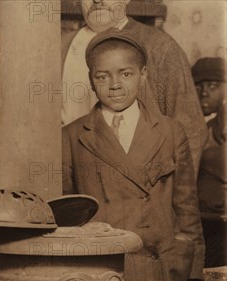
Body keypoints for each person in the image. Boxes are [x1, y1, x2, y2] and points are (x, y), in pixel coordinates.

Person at [62, 29, 205, 281]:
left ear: (144, 75)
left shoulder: (171, 131)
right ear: (90, 80)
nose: (115, 84)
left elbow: (187, 210)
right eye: (103, 76)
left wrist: (192, 276)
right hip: (102, 280)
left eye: (125, 74)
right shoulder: (74, 137)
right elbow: (67, 217)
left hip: (161, 279)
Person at [61, 0, 207, 176]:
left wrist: (177, 198)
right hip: (80, 183)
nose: (97, 0)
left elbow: (191, 132)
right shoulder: (61, 47)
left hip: (142, 191)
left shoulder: (160, 47)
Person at [192, 57, 226, 267]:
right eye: (198, 86)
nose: (204, 92)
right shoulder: (201, 127)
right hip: (205, 220)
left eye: (213, 86)